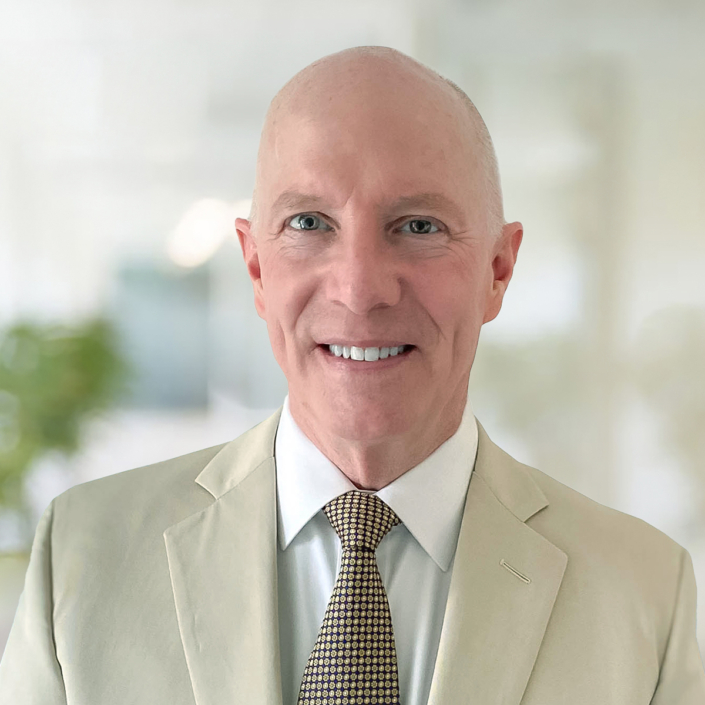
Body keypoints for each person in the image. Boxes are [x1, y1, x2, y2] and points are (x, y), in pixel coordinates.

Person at [1, 45, 703, 705]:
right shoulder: (83, 560)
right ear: (255, 266)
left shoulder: (642, 593)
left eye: (419, 226)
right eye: (309, 221)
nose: (360, 288)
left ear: (497, 269)